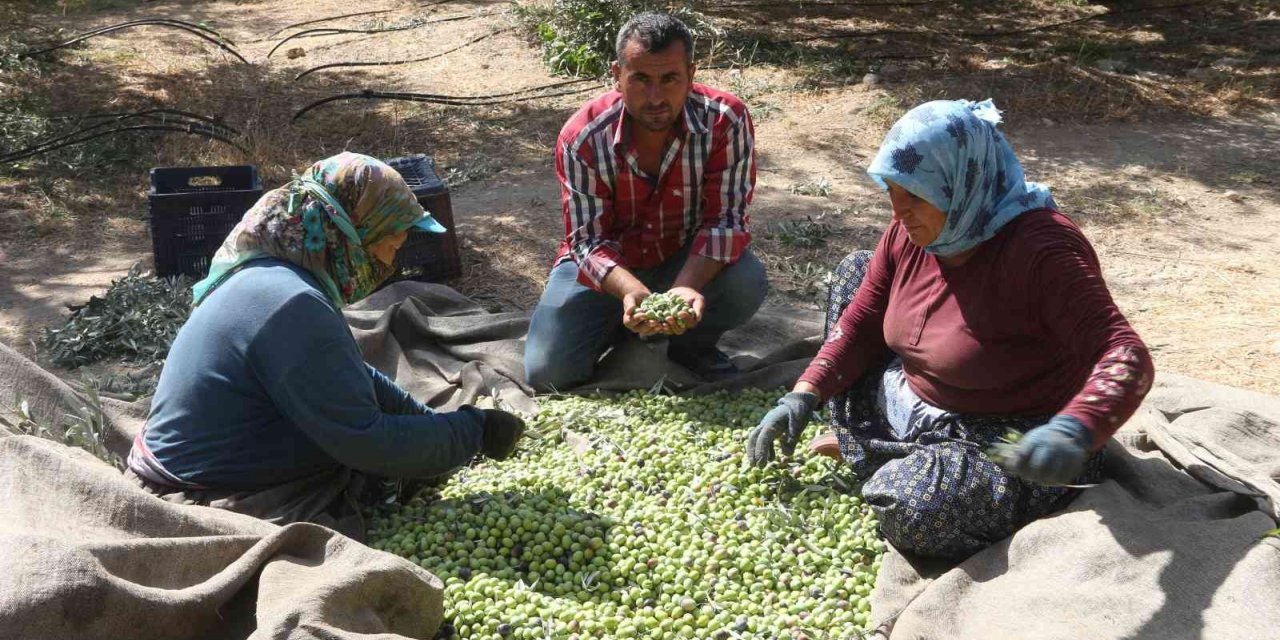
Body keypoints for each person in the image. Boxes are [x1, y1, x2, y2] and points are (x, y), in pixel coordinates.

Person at [747, 100, 1154, 559]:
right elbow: (861, 320)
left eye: (916, 196)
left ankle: (901, 461)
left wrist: (1075, 430)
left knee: (913, 507)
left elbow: (1126, 355)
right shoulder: (911, 232)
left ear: (961, 185)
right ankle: (892, 450)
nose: (899, 211)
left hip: (1011, 440)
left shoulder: (1042, 251)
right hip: (919, 401)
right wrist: (804, 393)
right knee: (856, 271)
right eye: (892, 192)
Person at [126, 152, 525, 536]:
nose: (391, 264)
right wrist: (472, 432)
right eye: (390, 246)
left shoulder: (274, 276)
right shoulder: (293, 305)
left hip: (201, 460)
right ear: (353, 234)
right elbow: (367, 442)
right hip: (197, 491)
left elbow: (350, 374)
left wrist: (426, 419)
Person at [523, 13, 768, 391]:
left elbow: (726, 221)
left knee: (746, 281)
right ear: (617, 75)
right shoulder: (584, 137)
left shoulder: (725, 121)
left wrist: (685, 289)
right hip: (607, 269)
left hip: (682, 255)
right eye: (640, 79)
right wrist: (630, 292)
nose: (655, 98)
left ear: (690, 74)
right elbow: (587, 241)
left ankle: (689, 345)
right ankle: (630, 331)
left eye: (670, 79)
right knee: (547, 373)